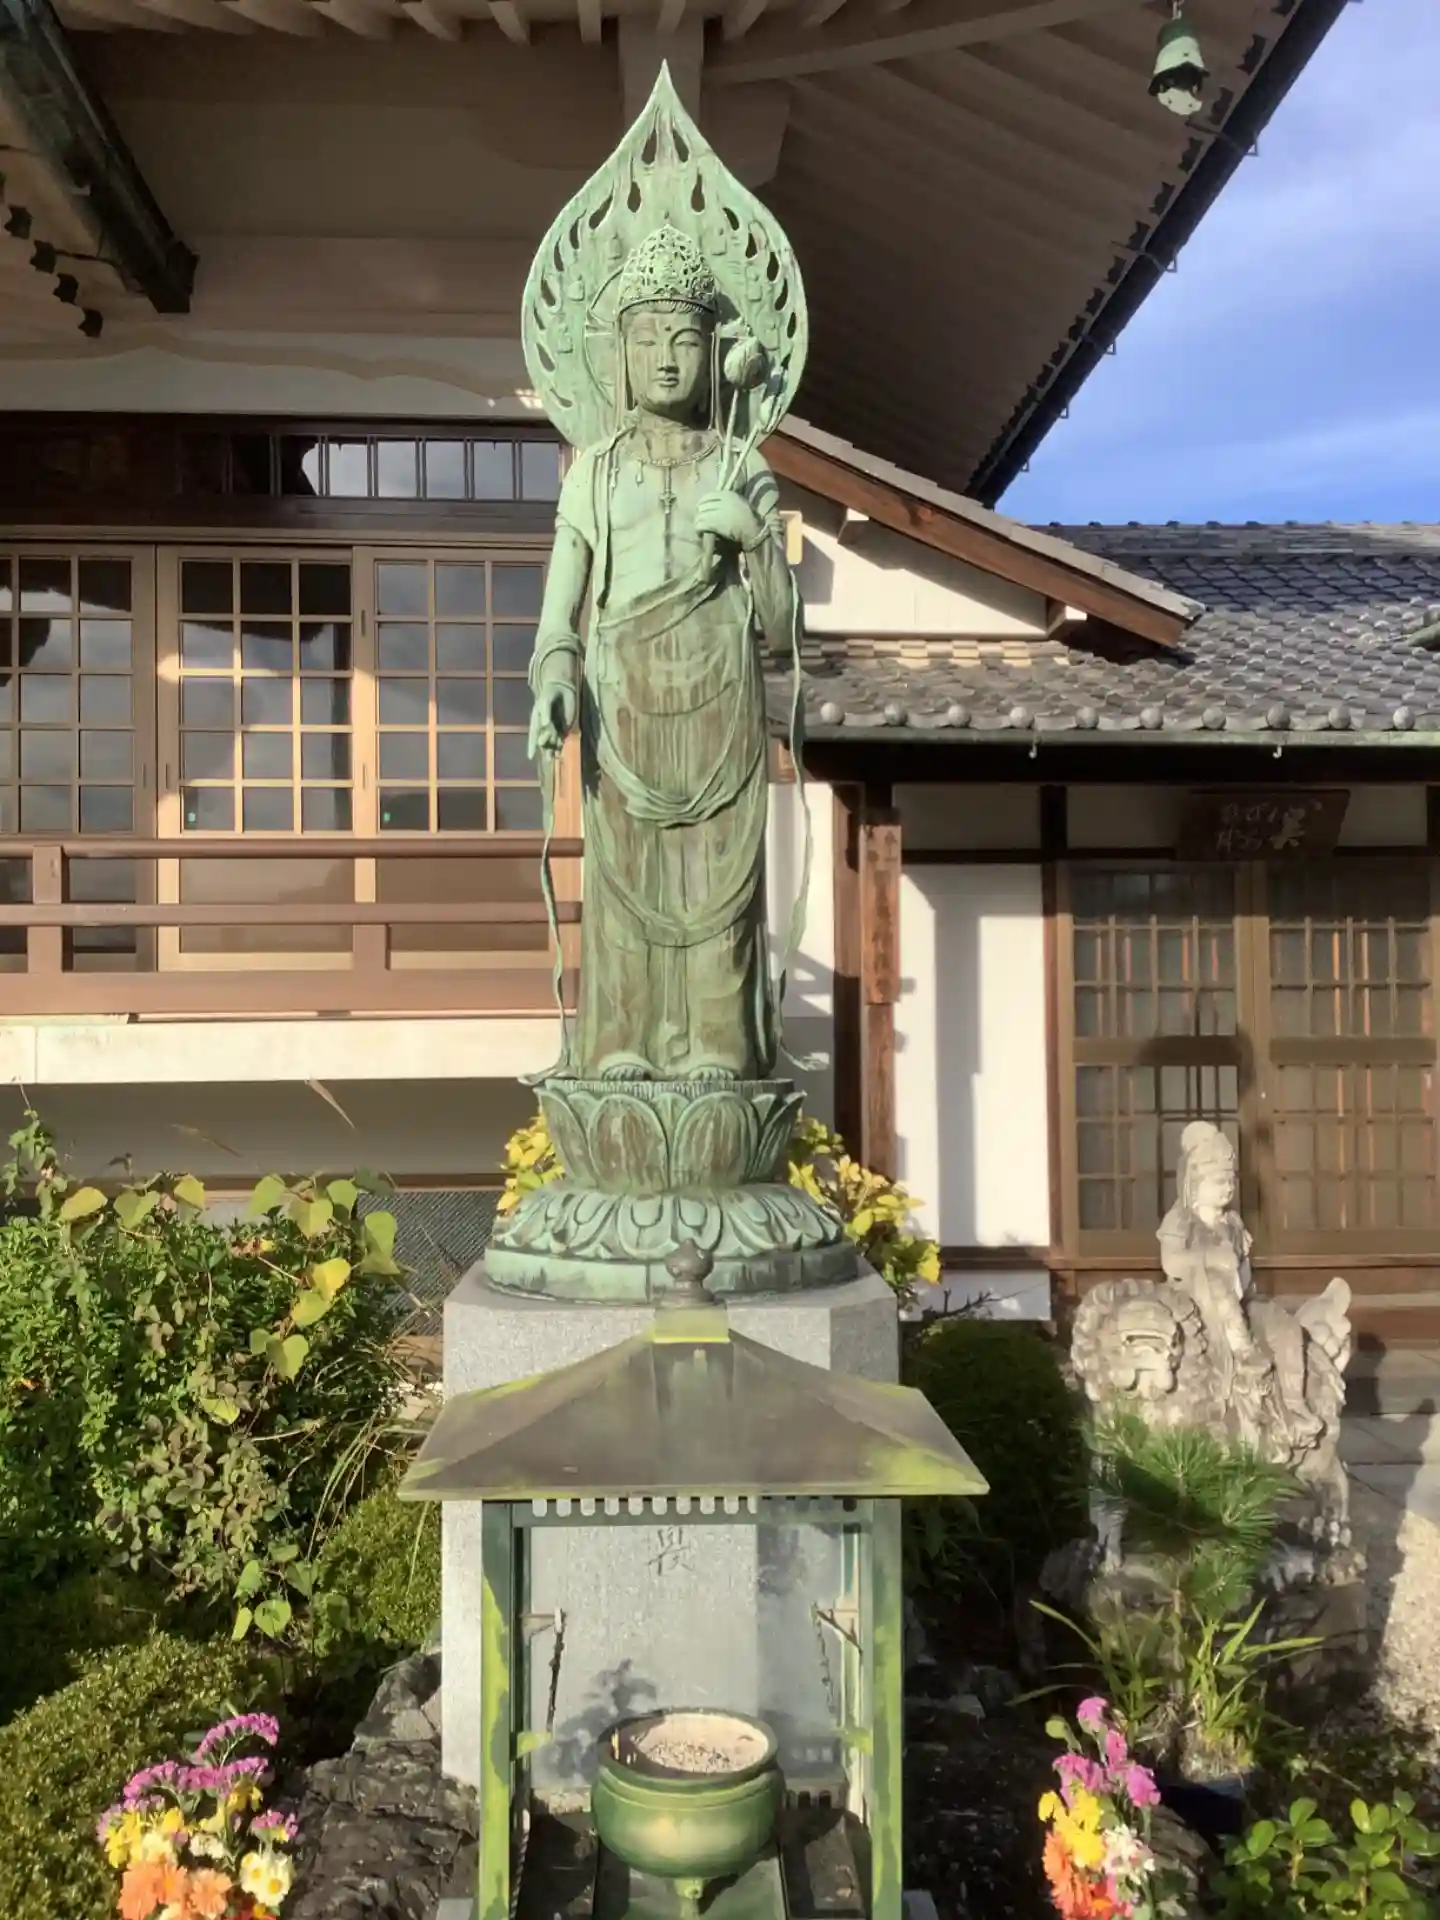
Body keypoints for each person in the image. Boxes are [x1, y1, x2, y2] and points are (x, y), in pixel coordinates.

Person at [526, 223, 797, 1084]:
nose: (667, 360)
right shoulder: (595, 473)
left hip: (720, 694)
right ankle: (624, 1041)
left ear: (716, 354)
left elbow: (785, 631)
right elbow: (560, 609)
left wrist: (755, 539)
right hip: (623, 700)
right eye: (647, 340)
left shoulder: (740, 465)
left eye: (684, 339)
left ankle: (719, 1044)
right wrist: (555, 678)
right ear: (619, 354)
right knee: (625, 879)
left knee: (717, 878)